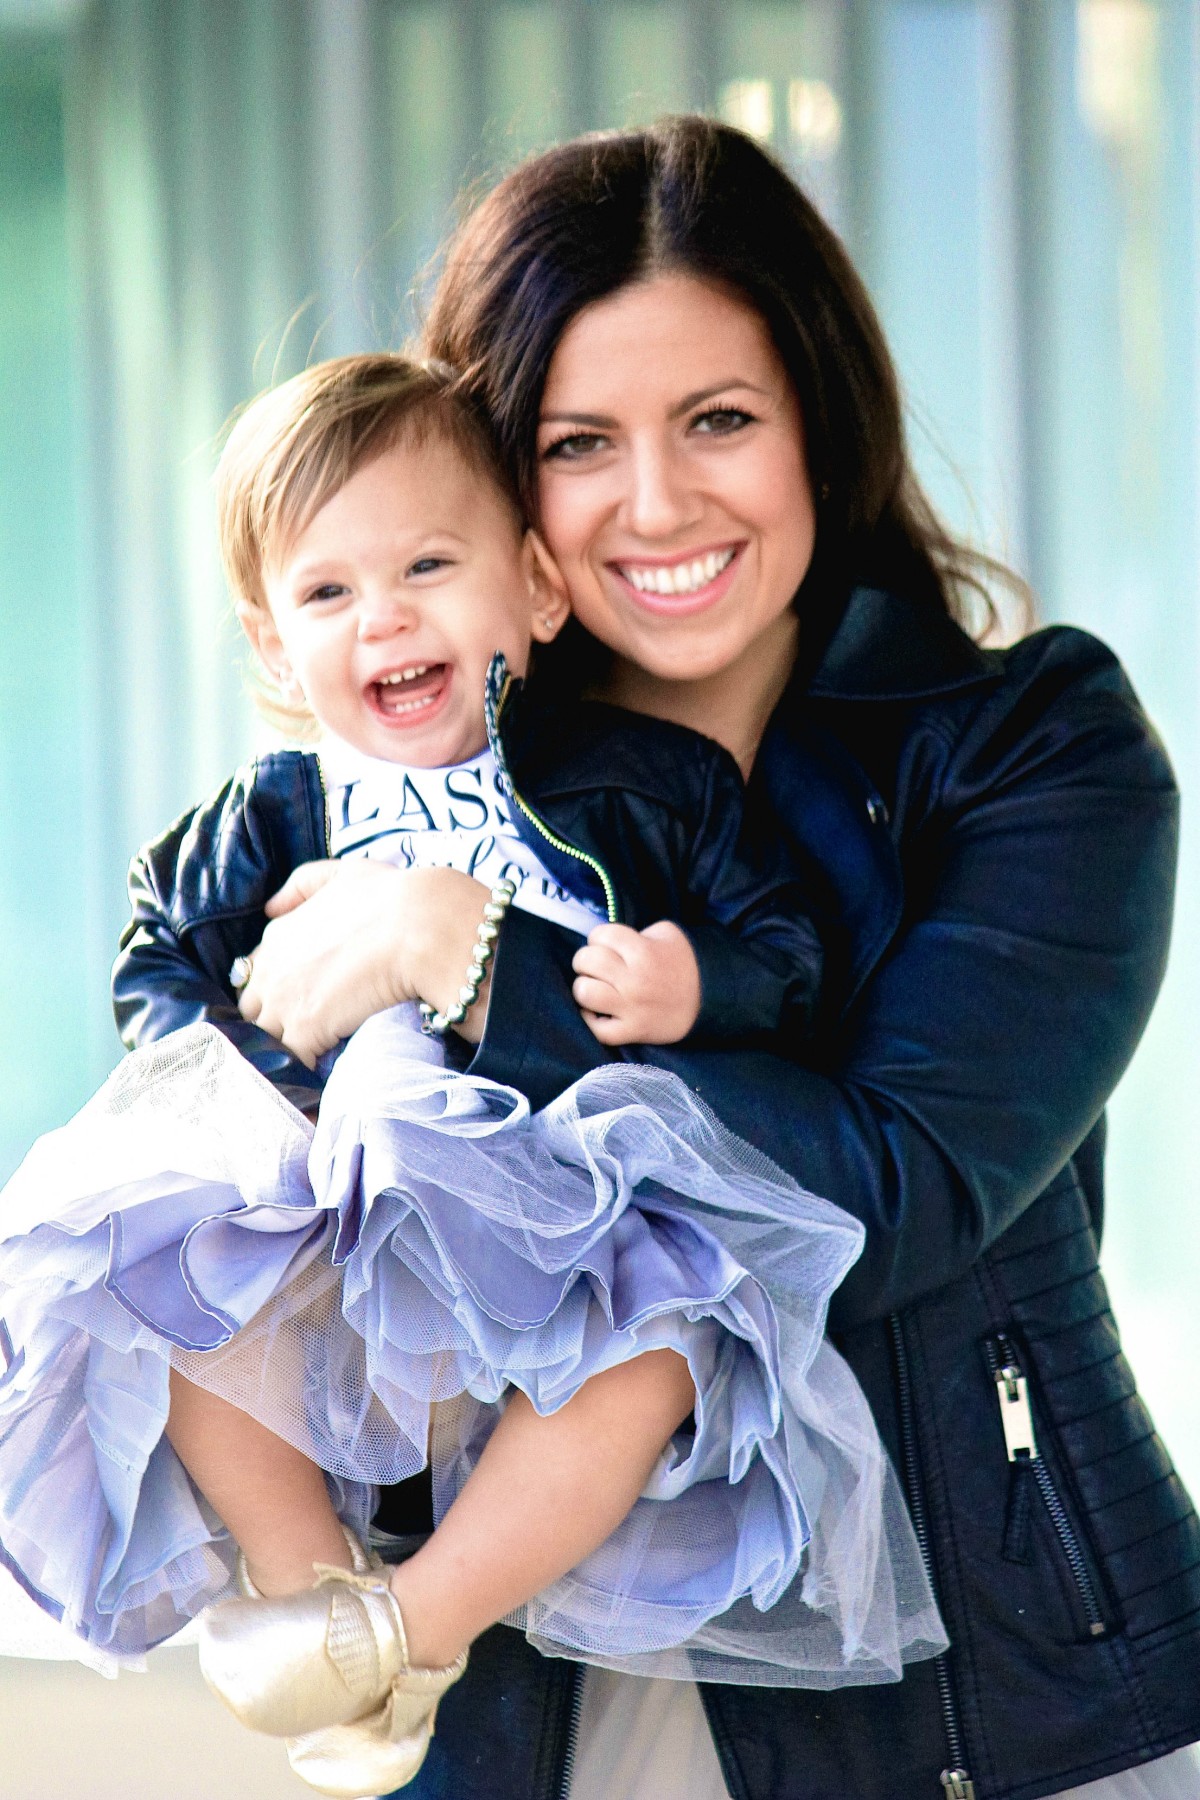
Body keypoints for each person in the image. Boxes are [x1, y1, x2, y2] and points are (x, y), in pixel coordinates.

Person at [220, 119, 1200, 1799]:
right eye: (578, 440)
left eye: (721, 421)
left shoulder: (1036, 744)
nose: (658, 502)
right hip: (522, 1720)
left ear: (820, 422)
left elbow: (884, 1197)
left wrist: (482, 973)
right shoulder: (386, 792)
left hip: (1009, 1715)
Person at [0, 353, 943, 1800]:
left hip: (551, 1217)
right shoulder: (266, 820)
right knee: (150, 1274)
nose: (384, 617)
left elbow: (782, 943)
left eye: (429, 567)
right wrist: (268, 1054)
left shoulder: (639, 782)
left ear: (536, 592)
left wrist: (696, 979)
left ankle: (413, 1624)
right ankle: (314, 1584)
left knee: (665, 1345)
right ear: (270, 644)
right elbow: (158, 975)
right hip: (326, 1218)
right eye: (327, 595)